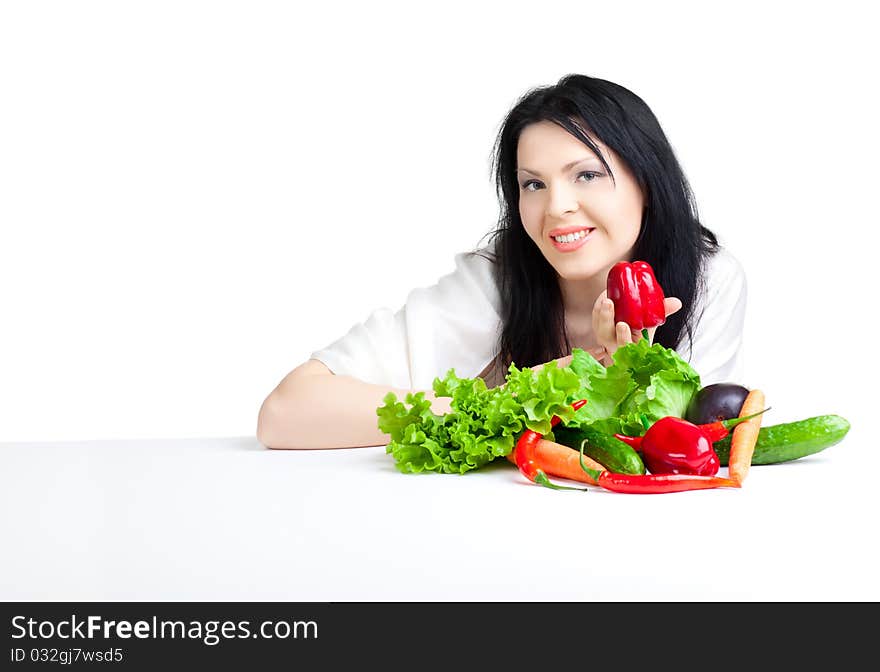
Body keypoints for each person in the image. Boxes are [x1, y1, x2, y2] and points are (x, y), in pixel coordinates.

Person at [257, 73, 747, 450]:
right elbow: (285, 413)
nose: (556, 207)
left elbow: (680, 450)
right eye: (533, 184)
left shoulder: (709, 280)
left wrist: (624, 375)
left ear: (648, 180)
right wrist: (496, 406)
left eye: (587, 175)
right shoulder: (496, 279)